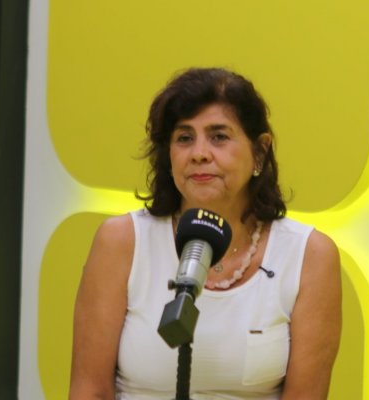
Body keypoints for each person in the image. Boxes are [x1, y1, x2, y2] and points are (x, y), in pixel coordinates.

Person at [69, 67, 342, 400]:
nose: (199, 153)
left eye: (219, 137)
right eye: (184, 138)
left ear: (259, 151)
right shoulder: (121, 241)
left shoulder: (309, 254)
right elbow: (90, 391)